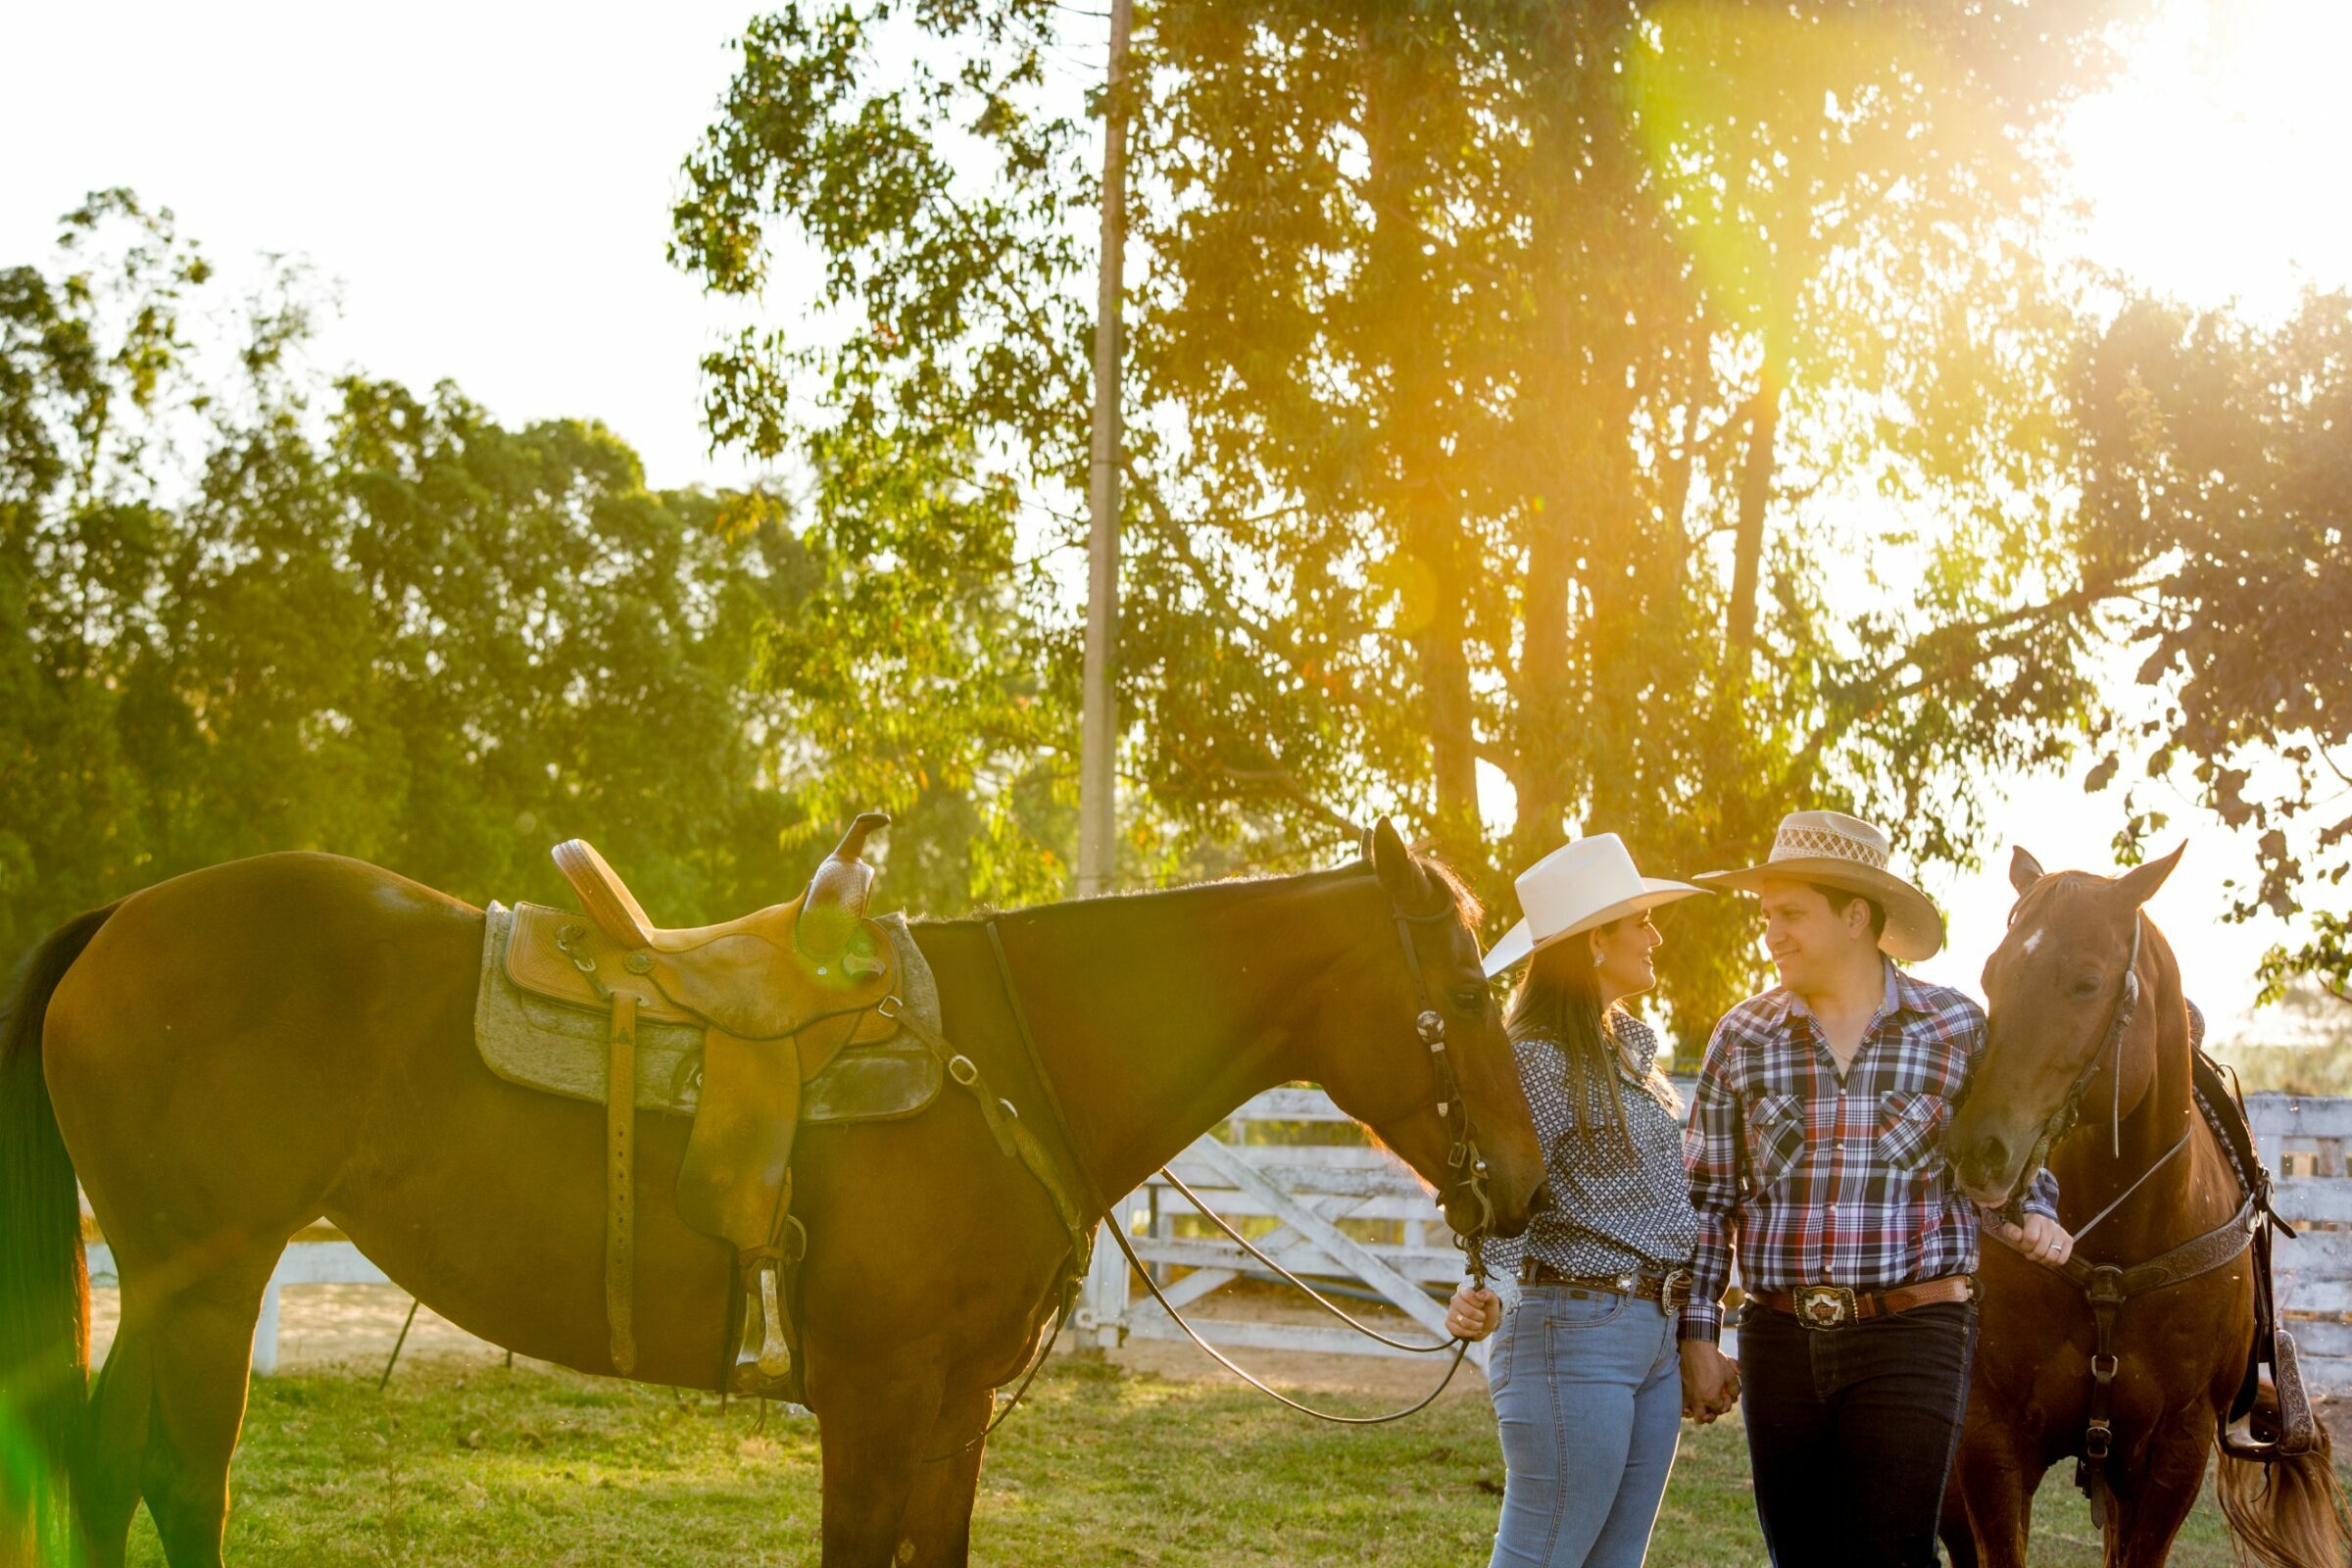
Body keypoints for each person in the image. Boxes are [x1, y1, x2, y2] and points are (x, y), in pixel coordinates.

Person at [1676, 810, 2076, 1568]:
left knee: (1889, 1552)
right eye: (1768, 917)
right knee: (1800, 1556)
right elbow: (1707, 1198)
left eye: (1790, 915)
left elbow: (2012, 1154)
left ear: (1855, 915)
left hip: (1914, 1332)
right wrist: (1699, 1335)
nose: (1772, 935)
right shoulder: (1743, 1037)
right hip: (1780, 1338)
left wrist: (2037, 1211)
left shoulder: (1956, 1029)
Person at [1444, 833, 1728, 1568]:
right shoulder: (1539, 1057)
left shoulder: (1627, 1056)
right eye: (1640, 922)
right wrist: (1489, 1285)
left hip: (1650, 1332)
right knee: (1543, 1555)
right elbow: (1506, 1187)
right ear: (1596, 941)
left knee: (1615, 1560)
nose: (1655, 936)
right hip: (1575, 1332)